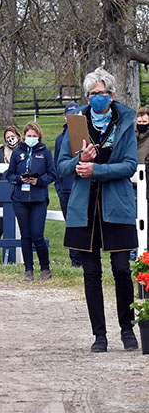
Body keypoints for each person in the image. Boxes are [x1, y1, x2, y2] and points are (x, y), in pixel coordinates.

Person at [56, 67, 139, 353]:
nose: (97, 99)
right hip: (85, 208)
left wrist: (97, 169)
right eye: (92, 95)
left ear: (111, 94)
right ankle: (99, 335)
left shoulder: (125, 123)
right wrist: (80, 159)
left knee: (121, 269)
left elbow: (129, 165)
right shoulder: (75, 124)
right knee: (90, 273)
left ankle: (127, 330)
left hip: (116, 204)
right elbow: (62, 166)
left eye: (102, 94)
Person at [4, 122, 56, 281]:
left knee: (37, 235)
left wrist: (38, 181)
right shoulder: (17, 152)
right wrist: (19, 179)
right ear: (24, 136)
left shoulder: (45, 152)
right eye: (29, 136)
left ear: (39, 137)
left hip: (38, 198)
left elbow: (52, 175)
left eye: (34, 136)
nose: (31, 138)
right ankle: (28, 270)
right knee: (25, 236)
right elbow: (9, 174)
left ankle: (45, 268)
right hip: (20, 199)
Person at [54, 102, 83, 268]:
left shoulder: (85, 137)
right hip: (65, 189)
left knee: (83, 223)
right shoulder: (60, 139)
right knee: (70, 224)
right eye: (69, 114)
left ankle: (85, 256)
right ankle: (75, 258)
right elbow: (56, 164)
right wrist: (59, 187)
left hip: (81, 187)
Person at [0, 126, 21, 261]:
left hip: (19, 191)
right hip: (2, 194)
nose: (10, 139)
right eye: (7, 137)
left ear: (18, 136)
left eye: (12, 136)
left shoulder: (23, 151)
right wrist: (1, 184)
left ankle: (21, 255)